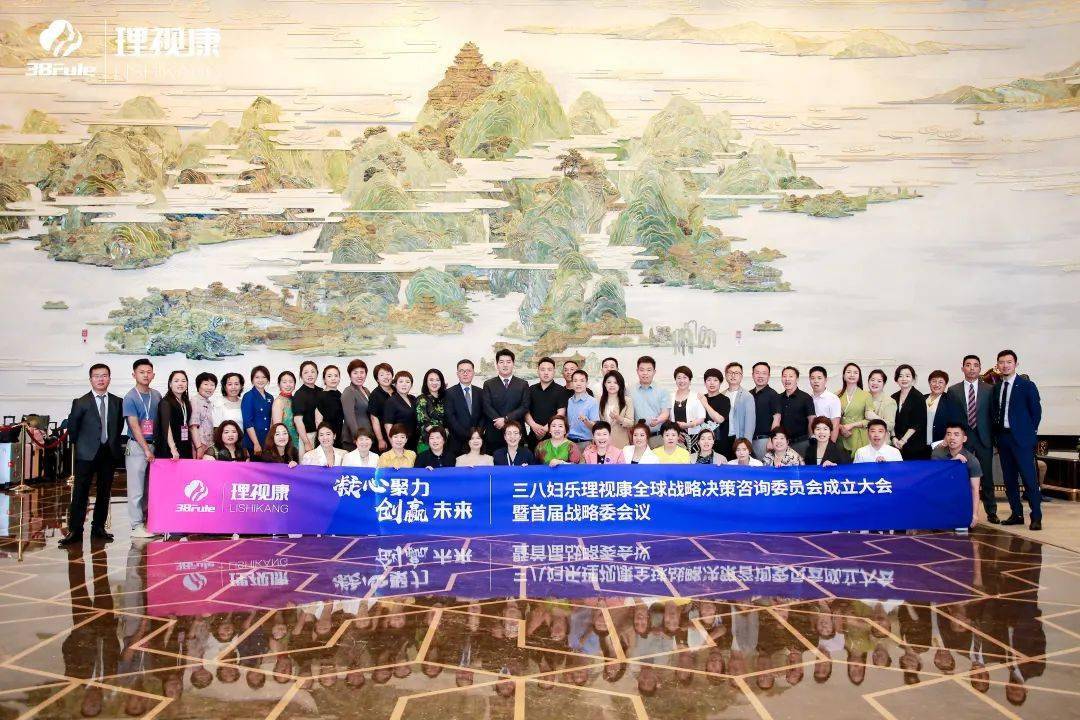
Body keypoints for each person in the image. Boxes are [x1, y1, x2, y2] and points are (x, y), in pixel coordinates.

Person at [59, 363, 125, 547]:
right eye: (97, 376)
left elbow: (118, 426)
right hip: (86, 454)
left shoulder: (117, 402)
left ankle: (99, 528)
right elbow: (73, 428)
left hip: (108, 452)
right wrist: (83, 445)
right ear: (91, 379)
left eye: (104, 376)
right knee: (80, 493)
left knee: (104, 492)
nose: (100, 379)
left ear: (109, 379)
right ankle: (75, 530)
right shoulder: (80, 402)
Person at [991, 350, 1043, 530]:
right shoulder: (997, 387)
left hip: (1022, 440)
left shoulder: (1027, 385)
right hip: (1003, 438)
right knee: (1009, 479)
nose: (1005, 365)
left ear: (1016, 364)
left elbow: (1036, 413)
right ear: (997, 365)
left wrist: (1028, 433)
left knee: (1029, 479)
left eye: (1009, 362)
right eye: (1001, 362)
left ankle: (1036, 517)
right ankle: (1017, 514)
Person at [948, 355, 998, 524]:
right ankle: (962, 509)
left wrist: (994, 439)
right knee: (962, 475)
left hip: (984, 438)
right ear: (962, 368)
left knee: (987, 476)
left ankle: (991, 511)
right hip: (964, 439)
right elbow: (952, 417)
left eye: (975, 365)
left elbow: (993, 415)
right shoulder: (953, 390)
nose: (971, 368)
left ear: (980, 368)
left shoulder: (989, 389)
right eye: (968, 365)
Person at [123, 359, 161, 540]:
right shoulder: (130, 397)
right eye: (141, 372)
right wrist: (146, 449)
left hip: (155, 445)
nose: (146, 375)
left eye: (148, 372)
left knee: (150, 488)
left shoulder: (157, 395)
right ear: (134, 375)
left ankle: (148, 522)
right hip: (138, 446)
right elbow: (134, 425)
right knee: (136, 488)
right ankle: (136, 525)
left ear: (153, 375)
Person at [932, 423, 984, 530]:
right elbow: (935, 480)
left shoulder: (972, 460)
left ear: (964, 439)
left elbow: (975, 489)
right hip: (941, 498)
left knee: (962, 531)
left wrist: (974, 514)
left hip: (961, 500)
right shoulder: (938, 453)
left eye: (956, 434)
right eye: (948, 434)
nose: (952, 437)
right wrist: (953, 462)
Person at [482, 349, 529, 452]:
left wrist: (506, 419)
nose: (505, 365)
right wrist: (498, 420)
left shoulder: (523, 384)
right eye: (501, 362)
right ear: (497, 364)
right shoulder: (488, 384)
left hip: (516, 433)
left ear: (513, 364)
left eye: (508, 362)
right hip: (494, 431)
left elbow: (525, 406)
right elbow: (486, 406)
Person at [525, 357, 567, 451]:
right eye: (543, 369)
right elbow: (526, 411)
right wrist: (534, 426)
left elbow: (561, 413)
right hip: (533, 435)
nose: (546, 372)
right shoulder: (531, 389)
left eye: (549, 369)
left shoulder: (561, 390)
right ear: (538, 371)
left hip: (554, 436)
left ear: (554, 371)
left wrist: (545, 429)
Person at [446, 359, 484, 455]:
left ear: (473, 373)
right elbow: (451, 418)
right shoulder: (449, 393)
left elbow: (483, 415)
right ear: (457, 374)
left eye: (468, 371)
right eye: (461, 371)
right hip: (456, 442)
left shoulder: (480, 392)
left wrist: (476, 434)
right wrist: (467, 435)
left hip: (477, 442)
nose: (465, 374)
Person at [632, 356, 670, 448]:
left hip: (657, 437)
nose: (645, 373)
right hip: (637, 438)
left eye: (649, 370)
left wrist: (658, 420)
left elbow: (665, 413)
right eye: (642, 370)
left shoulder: (662, 390)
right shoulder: (629, 390)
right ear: (637, 371)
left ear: (654, 372)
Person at [892, 364, 929, 460]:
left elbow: (917, 423)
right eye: (900, 376)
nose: (904, 379)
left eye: (907, 376)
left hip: (914, 446)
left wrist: (903, 440)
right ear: (896, 379)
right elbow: (890, 420)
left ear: (913, 379)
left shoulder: (919, 397)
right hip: (896, 444)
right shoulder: (893, 397)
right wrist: (893, 437)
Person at [837, 363, 874, 458]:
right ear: (843, 376)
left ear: (859, 376)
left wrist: (852, 425)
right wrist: (841, 427)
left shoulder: (866, 395)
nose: (852, 375)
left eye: (855, 373)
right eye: (848, 372)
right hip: (841, 435)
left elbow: (870, 420)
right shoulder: (837, 395)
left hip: (858, 436)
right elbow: (832, 418)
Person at [778, 366, 815, 459]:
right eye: (784, 376)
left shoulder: (806, 398)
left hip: (801, 443)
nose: (787, 379)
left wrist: (811, 441)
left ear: (797, 379)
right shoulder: (778, 398)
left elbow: (811, 420)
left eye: (791, 376)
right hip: (782, 444)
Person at [156, 370, 194, 460]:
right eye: (176, 381)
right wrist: (173, 448)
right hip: (171, 448)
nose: (180, 384)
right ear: (170, 384)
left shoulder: (185, 402)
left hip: (184, 444)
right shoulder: (165, 402)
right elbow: (166, 427)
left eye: (183, 381)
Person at [749, 362, 782, 459]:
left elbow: (777, 419)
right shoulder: (748, 395)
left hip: (765, 441)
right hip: (749, 440)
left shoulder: (773, 395)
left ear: (769, 376)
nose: (760, 376)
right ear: (753, 375)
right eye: (757, 373)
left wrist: (771, 440)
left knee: (766, 466)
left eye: (764, 373)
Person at [671, 365, 707, 452]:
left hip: (694, 437)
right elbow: (668, 418)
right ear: (675, 380)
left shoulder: (697, 396)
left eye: (685, 377)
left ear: (690, 380)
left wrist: (687, 425)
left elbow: (701, 418)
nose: (681, 380)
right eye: (679, 378)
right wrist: (675, 432)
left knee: (693, 459)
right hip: (675, 437)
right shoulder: (670, 396)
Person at [382, 371, 418, 450]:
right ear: (395, 384)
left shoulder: (413, 399)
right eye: (401, 381)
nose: (404, 384)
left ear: (411, 385)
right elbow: (388, 425)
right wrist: (394, 446)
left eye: (407, 382)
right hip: (399, 442)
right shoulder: (391, 401)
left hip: (413, 441)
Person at [340, 359, 371, 452]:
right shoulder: (349, 391)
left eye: (362, 372)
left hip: (367, 437)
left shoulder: (366, 390)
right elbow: (350, 417)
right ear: (350, 375)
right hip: (354, 440)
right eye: (355, 373)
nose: (359, 375)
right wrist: (357, 437)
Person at [241, 365, 273, 454]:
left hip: (267, 440)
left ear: (268, 379)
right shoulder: (248, 396)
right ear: (252, 380)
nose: (260, 380)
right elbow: (247, 422)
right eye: (257, 377)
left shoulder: (270, 397)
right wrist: (256, 443)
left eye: (264, 377)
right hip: (253, 442)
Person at [415, 369, 448, 455]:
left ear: (441, 382)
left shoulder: (445, 398)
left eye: (437, 380)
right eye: (431, 380)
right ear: (426, 382)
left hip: (445, 442)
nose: (434, 383)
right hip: (427, 442)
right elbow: (424, 423)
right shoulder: (422, 399)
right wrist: (437, 438)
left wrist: (444, 437)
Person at [292, 360, 322, 454]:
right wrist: (306, 442)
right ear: (301, 376)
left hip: (322, 435)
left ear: (317, 374)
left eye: (313, 371)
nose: (310, 375)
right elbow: (298, 420)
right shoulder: (299, 394)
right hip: (307, 436)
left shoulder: (321, 391)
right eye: (306, 372)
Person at [724, 362, 756, 451]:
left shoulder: (747, 396)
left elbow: (750, 423)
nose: (733, 375)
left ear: (741, 376)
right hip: (723, 438)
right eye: (730, 372)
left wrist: (747, 445)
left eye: (736, 373)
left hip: (738, 439)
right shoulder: (722, 394)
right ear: (726, 375)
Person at [599, 370, 634, 449]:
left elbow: (631, 423)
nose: (612, 385)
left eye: (615, 382)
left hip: (621, 443)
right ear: (604, 384)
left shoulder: (627, 400)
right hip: (603, 444)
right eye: (609, 382)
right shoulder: (599, 400)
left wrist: (618, 418)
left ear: (620, 384)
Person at [926, 370, 962, 448]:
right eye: (934, 381)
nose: (937, 384)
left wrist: (946, 440)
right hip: (921, 444)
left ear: (945, 384)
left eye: (940, 382)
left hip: (941, 444)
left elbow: (956, 423)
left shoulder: (950, 400)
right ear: (929, 383)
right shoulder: (922, 398)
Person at [701, 368, 731, 457]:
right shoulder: (700, 399)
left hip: (720, 443)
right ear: (705, 383)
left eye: (715, 380)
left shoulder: (725, 400)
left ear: (720, 382)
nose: (712, 383)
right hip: (703, 443)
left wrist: (705, 404)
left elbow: (720, 419)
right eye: (709, 380)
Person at [566, 370, 599, 447]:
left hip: (585, 442)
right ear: (572, 383)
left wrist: (586, 421)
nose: (578, 384)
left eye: (582, 381)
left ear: (587, 383)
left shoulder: (593, 401)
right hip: (569, 441)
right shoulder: (570, 400)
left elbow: (595, 426)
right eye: (575, 381)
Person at [315, 365, 345, 449]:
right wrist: (323, 437)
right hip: (326, 437)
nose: (333, 378)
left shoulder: (341, 395)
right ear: (324, 379)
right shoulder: (321, 396)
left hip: (339, 435)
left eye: (336, 376)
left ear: (339, 378)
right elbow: (318, 422)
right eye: (329, 376)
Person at [808, 366, 841, 443]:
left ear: (826, 380)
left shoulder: (833, 399)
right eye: (813, 378)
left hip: (826, 441)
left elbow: (835, 425)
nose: (816, 381)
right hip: (811, 441)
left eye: (819, 378)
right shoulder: (808, 398)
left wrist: (831, 445)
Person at [367, 362, 394, 452]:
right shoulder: (375, 395)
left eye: (388, 374)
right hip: (385, 435)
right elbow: (374, 418)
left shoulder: (397, 390)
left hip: (400, 434)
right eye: (382, 375)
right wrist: (380, 439)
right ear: (377, 379)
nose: (386, 377)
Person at [191, 372, 218, 459]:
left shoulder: (209, 402)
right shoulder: (195, 401)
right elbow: (193, 426)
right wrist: (198, 447)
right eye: (206, 384)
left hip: (208, 444)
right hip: (199, 444)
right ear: (198, 386)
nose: (209, 388)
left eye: (212, 385)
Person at [865, 369, 897, 443]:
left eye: (879, 381)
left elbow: (890, 426)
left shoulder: (889, 401)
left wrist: (875, 417)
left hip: (881, 443)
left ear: (884, 384)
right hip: (863, 441)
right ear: (868, 381)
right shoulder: (864, 396)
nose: (875, 383)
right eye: (872, 380)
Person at [271, 370, 300, 449]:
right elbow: (277, 428)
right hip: (285, 442)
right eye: (284, 382)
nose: (288, 385)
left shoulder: (294, 399)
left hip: (296, 440)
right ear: (279, 385)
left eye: (291, 382)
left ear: (294, 384)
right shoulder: (278, 402)